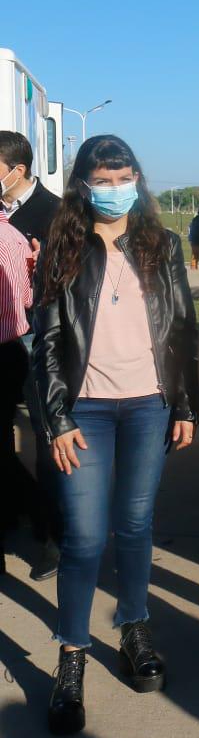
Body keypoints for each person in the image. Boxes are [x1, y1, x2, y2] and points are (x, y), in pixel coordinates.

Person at [32, 135, 199, 735]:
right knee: (83, 537)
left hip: (149, 406)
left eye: (122, 177)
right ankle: (72, 654)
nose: (113, 190)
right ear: (82, 185)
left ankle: (133, 627)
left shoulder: (162, 244)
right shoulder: (64, 244)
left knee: (133, 526)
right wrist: (56, 419)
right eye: (101, 180)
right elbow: (48, 341)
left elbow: (180, 328)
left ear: (137, 179)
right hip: (86, 412)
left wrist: (185, 405)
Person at [1, 130, 62, 580]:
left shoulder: (55, 213)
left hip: (40, 340)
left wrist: (42, 271)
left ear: (17, 170)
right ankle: (13, 514)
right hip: (5, 342)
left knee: (46, 438)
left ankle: (53, 537)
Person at [0, 205, 33, 576]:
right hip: (12, 350)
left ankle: (36, 511)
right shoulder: (15, 237)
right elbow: (26, 298)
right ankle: (16, 511)